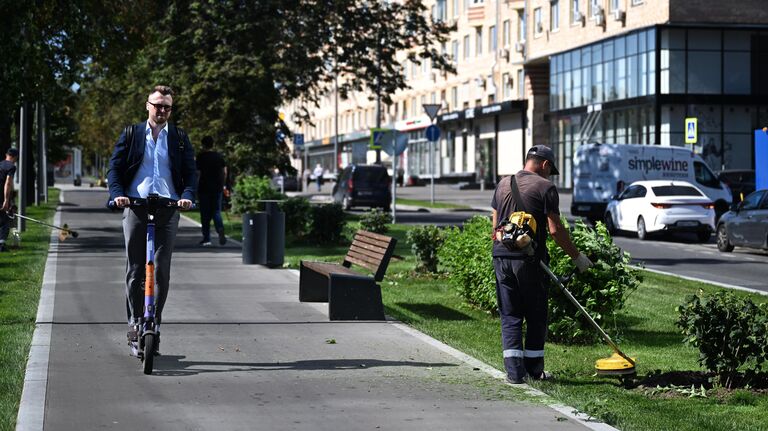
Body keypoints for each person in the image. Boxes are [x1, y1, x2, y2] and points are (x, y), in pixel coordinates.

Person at [491, 145, 593, 384]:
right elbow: (555, 230)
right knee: (536, 314)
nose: (549, 174)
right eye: (550, 170)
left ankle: (515, 374)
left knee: (510, 314)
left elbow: (495, 228)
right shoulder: (546, 187)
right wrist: (578, 257)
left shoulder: (503, 183)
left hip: (501, 257)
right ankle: (535, 372)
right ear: (545, 165)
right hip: (529, 261)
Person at [107, 85, 196, 355]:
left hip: (168, 209)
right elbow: (115, 167)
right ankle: (135, 322)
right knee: (135, 270)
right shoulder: (132, 134)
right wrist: (118, 194)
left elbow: (191, 172)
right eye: (158, 105)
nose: (162, 111)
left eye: (167, 106)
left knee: (161, 270)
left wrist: (188, 195)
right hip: (136, 206)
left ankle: (153, 323)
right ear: (147, 105)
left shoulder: (179, 138)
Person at [196, 136, 227, 246]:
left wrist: (195, 187)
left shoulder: (201, 157)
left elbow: (198, 174)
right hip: (217, 188)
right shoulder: (219, 156)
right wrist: (223, 185)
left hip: (204, 188)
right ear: (212, 144)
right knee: (216, 211)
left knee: (205, 215)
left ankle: (207, 238)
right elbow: (224, 172)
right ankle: (220, 229)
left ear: (203, 145)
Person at [0, 148, 19, 252]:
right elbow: (8, 183)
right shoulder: (11, 167)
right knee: (5, 221)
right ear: (15, 157)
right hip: (1, 195)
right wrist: (6, 200)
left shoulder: (0, 164)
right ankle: (1, 245)